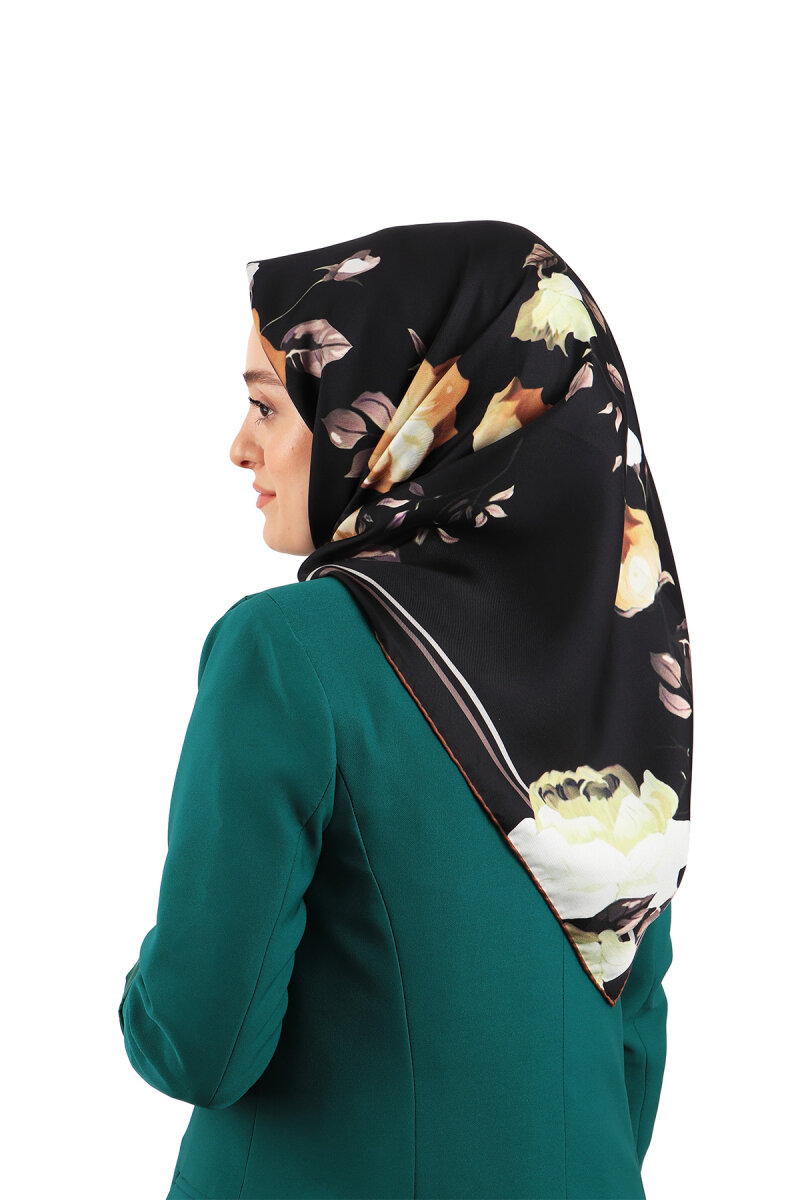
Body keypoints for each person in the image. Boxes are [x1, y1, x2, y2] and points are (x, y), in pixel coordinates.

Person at [118, 220, 692, 1200]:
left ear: (390, 417)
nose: (239, 447)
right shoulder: (625, 667)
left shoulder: (288, 650)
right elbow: (629, 1049)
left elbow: (201, 1043)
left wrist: (147, 1001)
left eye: (267, 406)